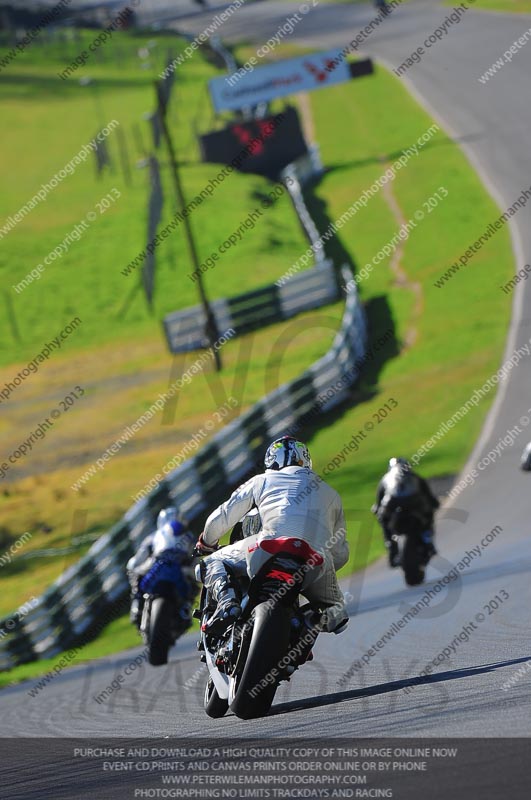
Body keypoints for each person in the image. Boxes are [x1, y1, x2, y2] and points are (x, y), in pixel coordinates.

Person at [195, 435, 350, 635]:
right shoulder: (332, 494)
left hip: (268, 548)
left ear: (271, 461)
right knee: (339, 614)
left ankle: (228, 602)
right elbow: (341, 552)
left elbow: (223, 516)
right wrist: (325, 566)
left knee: (208, 563)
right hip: (316, 561)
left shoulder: (262, 480)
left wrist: (207, 541)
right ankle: (310, 623)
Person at [127, 507, 195, 626]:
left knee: (136, 574)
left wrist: (133, 565)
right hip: (179, 569)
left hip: (156, 565)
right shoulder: (189, 536)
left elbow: (138, 558)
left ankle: (137, 605)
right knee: (195, 580)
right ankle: (186, 609)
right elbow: (195, 557)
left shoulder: (153, 536)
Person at [372, 458, 439, 567]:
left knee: (383, 519)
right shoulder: (415, 476)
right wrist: (434, 504)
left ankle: (391, 547)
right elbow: (429, 496)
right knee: (428, 512)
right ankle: (428, 540)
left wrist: (378, 510)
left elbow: (379, 501)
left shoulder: (386, 478)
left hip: (391, 502)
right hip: (414, 501)